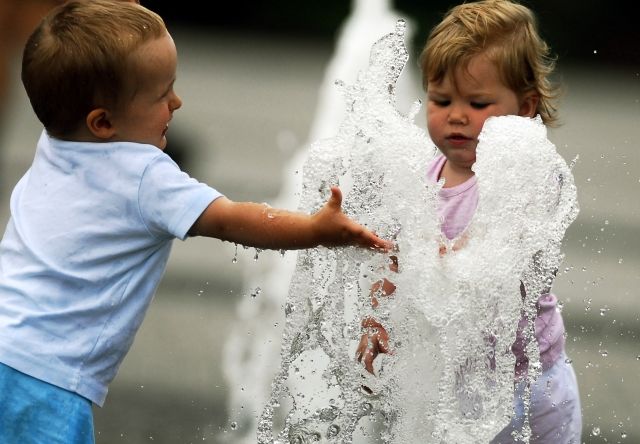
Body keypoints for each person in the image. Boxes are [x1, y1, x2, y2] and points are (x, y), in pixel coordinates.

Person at [0, 1, 393, 442]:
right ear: (103, 122)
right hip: (45, 383)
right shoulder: (144, 174)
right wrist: (316, 230)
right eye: (161, 94)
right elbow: (230, 220)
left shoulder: (54, 141)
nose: (177, 101)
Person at [356, 1, 582, 442]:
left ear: (524, 107)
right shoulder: (422, 180)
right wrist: (377, 320)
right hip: (455, 386)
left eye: (477, 103)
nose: (456, 115)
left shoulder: (532, 170)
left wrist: (450, 260)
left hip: (533, 383)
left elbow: (511, 246)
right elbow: (393, 260)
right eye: (441, 100)